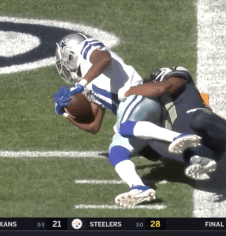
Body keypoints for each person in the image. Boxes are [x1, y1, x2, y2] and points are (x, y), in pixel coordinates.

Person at [53, 33, 201, 207]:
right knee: (116, 152)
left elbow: (103, 60)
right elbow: (93, 125)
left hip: (140, 97)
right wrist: (66, 114)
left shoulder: (88, 49)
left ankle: (176, 137)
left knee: (124, 127)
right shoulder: (89, 85)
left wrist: (81, 84)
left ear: (71, 54)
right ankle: (140, 187)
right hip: (132, 115)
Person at [118, 66, 226, 179]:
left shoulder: (177, 76)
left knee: (198, 119)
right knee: (143, 135)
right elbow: (153, 155)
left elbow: (162, 88)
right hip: (197, 149)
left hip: (210, 134)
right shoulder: (155, 110)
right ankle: (197, 161)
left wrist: (128, 92)